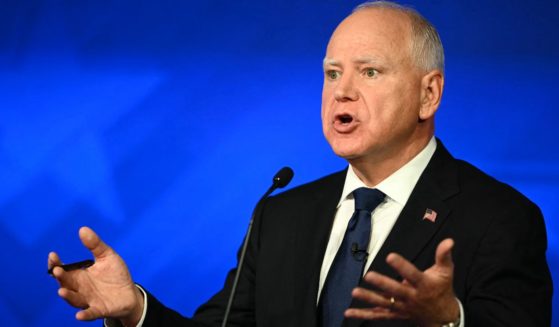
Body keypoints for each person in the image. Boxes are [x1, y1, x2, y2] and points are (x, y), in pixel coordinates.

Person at [48, 1, 553, 326]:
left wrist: (451, 320)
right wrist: (135, 309)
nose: (342, 92)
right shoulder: (283, 216)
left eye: (369, 72)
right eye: (332, 73)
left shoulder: (502, 218)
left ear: (429, 93)